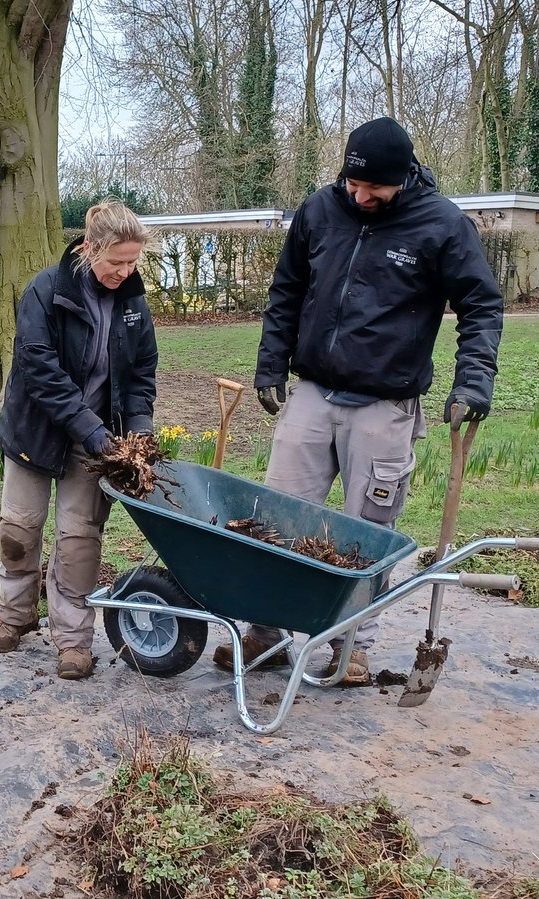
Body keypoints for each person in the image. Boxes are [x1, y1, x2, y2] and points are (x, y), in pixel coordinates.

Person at [213, 116, 503, 685]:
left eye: (375, 189)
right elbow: (286, 291)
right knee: (277, 518)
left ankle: (352, 646)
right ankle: (265, 632)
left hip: (384, 406)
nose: (360, 195)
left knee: (365, 531)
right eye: (353, 182)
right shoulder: (320, 210)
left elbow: (481, 307)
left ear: (404, 177)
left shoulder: (441, 225)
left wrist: (472, 381)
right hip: (313, 393)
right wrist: (271, 363)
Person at [0, 200, 158, 680]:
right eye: (116, 261)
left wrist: (138, 429)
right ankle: (15, 616)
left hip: (96, 442)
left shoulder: (133, 305)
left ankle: (74, 640)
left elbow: (142, 374)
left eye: (132, 262)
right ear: (88, 249)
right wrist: (92, 430)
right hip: (36, 432)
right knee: (18, 531)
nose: (125, 271)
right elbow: (40, 372)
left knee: (79, 540)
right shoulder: (45, 292)